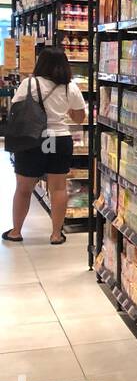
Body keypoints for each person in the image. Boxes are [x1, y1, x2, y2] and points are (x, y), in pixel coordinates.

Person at [4, 47, 86, 245]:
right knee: (58, 188)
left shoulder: (29, 83)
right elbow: (79, 117)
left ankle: (16, 231)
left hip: (33, 139)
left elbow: (16, 108)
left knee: (23, 188)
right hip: (59, 139)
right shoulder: (70, 87)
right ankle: (56, 234)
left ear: (41, 63)